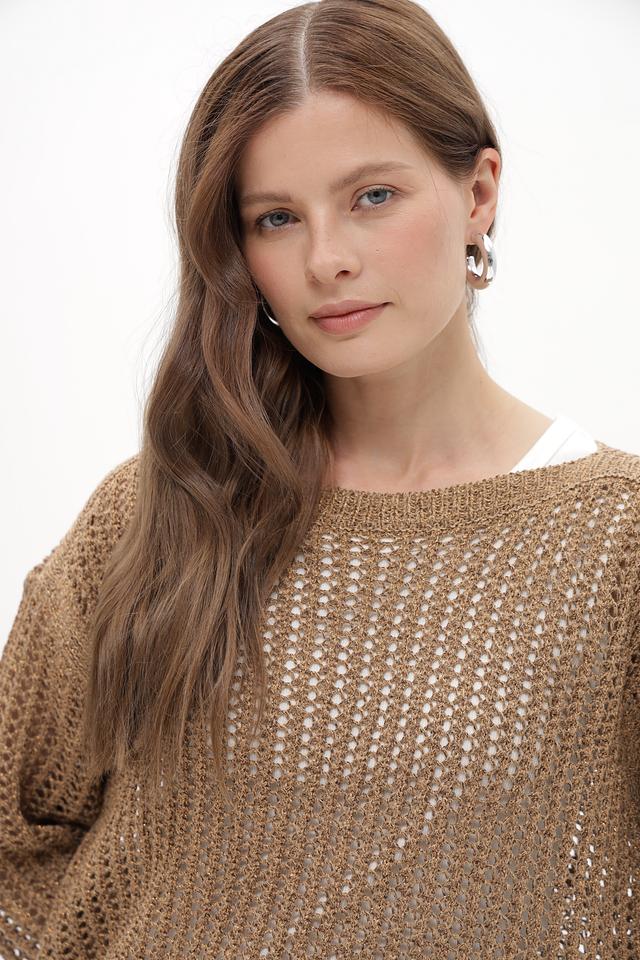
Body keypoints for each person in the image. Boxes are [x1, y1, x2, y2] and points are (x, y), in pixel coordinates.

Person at [1, 0, 638, 957]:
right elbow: (17, 833)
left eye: (372, 197)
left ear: (478, 193)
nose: (327, 260)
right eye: (277, 218)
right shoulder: (162, 510)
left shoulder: (617, 546)